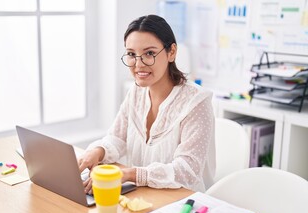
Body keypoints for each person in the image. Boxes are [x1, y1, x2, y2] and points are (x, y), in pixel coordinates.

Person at [78, 15, 215, 193]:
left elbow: (187, 170)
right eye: (131, 54)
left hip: (183, 202)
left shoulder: (196, 102)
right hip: (142, 195)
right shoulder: (136, 92)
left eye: (149, 53)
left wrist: (130, 174)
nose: (138, 64)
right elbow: (117, 138)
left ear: (171, 52)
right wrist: (97, 151)